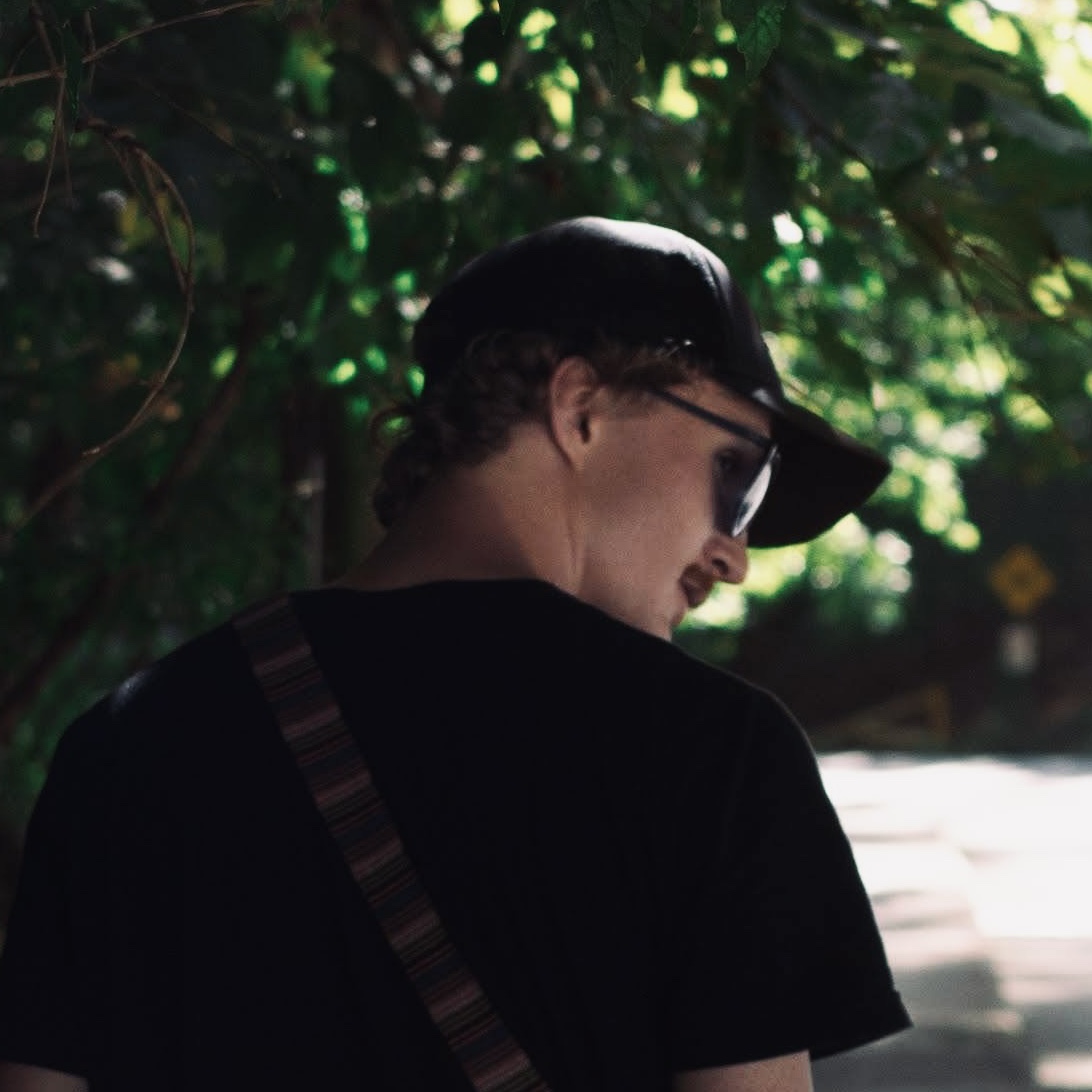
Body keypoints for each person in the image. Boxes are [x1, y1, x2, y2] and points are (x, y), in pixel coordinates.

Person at [0, 217, 910, 1092]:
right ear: (580, 408)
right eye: (738, 474)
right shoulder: (715, 753)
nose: (735, 556)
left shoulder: (123, 744)